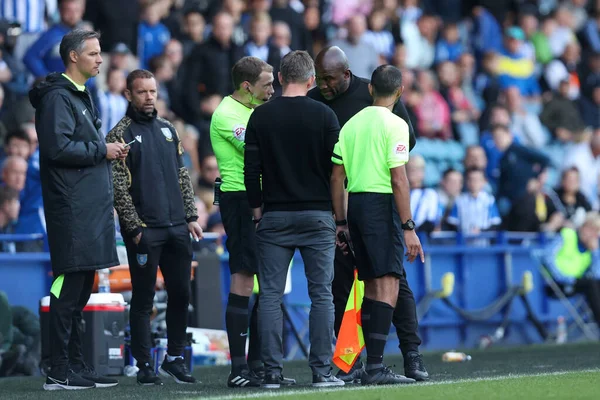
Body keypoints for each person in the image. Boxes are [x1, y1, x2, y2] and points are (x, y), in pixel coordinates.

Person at [308, 45, 429, 382]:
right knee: (373, 282)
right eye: (319, 79)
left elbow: (339, 170)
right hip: (358, 203)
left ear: (352, 77)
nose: (324, 85)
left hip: (350, 204)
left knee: (390, 283)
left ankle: (409, 356)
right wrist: (408, 225)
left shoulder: (360, 116)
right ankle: (360, 364)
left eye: (329, 78)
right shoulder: (325, 102)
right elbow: (399, 174)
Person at [28, 29, 125, 391]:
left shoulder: (81, 95)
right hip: (71, 207)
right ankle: (58, 368)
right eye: (94, 53)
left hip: (88, 206)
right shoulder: (58, 98)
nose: (101, 59)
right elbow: (57, 150)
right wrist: (102, 150)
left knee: (81, 286)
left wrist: (104, 150)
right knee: (68, 287)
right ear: (73, 57)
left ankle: (75, 364)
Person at [244, 50, 344, 389]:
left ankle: (271, 373)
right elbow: (336, 172)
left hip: (274, 215)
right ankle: (321, 372)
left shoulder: (260, 117)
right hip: (318, 215)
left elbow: (251, 170)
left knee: (270, 295)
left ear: (282, 78)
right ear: (311, 80)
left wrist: (258, 210)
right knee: (322, 294)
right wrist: (336, 214)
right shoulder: (325, 115)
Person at [106, 69, 203, 386]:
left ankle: (174, 358)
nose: (149, 97)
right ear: (128, 95)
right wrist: (134, 229)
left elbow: (182, 175)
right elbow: (118, 188)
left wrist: (191, 216)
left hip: (177, 228)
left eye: (153, 91)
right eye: (142, 92)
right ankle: (145, 364)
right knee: (144, 298)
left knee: (180, 293)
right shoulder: (119, 135)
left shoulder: (167, 129)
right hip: (146, 231)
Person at [209, 56, 275, 388]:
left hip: (265, 201)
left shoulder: (253, 110)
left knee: (270, 282)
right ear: (247, 86)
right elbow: (259, 150)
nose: (272, 90)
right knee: (244, 278)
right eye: (267, 84)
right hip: (239, 200)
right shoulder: (226, 115)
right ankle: (239, 367)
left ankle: (259, 364)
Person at [541, 211, 600, 329]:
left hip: (577, 284)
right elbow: (548, 257)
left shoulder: (591, 248)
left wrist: (595, 253)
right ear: (585, 228)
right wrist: (564, 278)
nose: (596, 236)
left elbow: (596, 274)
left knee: (594, 283)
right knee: (591, 284)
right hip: (558, 284)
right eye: (594, 230)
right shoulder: (567, 235)